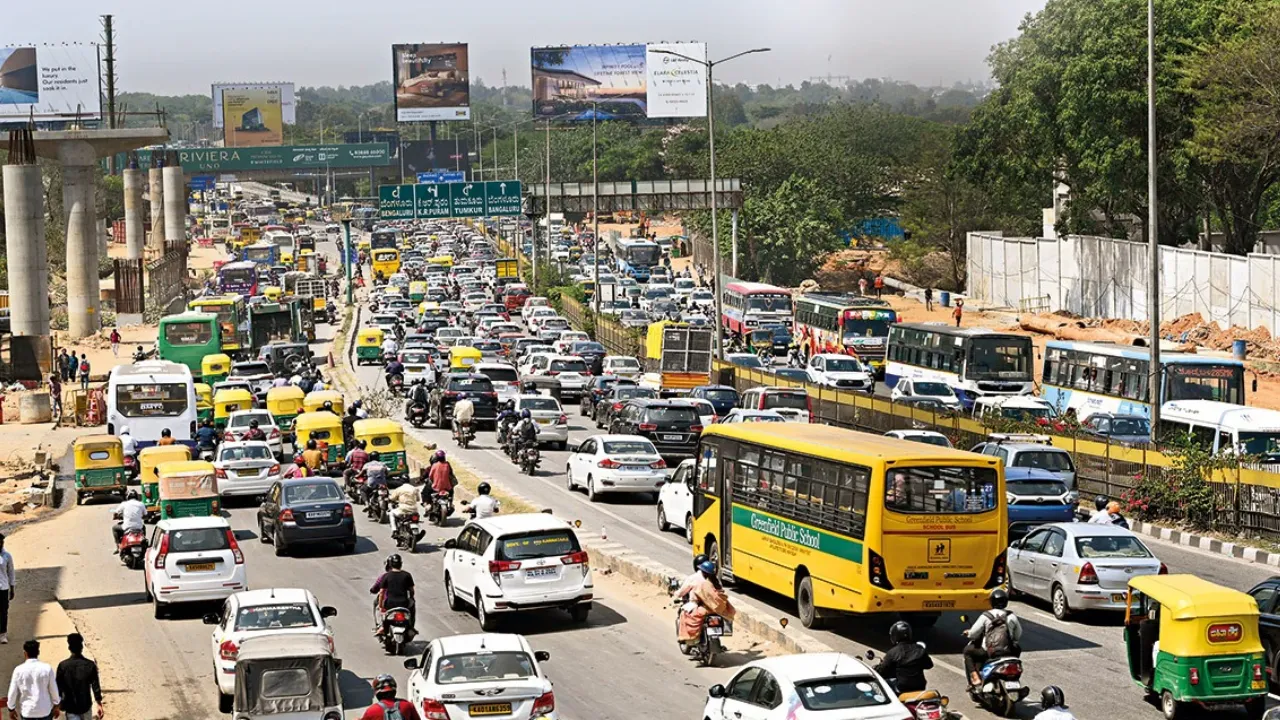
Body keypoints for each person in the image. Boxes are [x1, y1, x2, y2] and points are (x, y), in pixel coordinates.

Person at [963, 588, 1022, 689]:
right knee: (1018, 648)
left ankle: (975, 677)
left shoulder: (986, 616)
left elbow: (973, 634)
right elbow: (1018, 635)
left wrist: (968, 633)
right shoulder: (1011, 616)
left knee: (967, 651)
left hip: (989, 652)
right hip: (1009, 651)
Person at [676, 561, 736, 646]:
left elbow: (687, 593)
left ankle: (689, 638)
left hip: (705, 608)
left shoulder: (701, 583)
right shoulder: (716, 582)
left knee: (684, 614)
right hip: (717, 610)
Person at [874, 621, 934, 694]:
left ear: (895, 635)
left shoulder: (893, 652)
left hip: (901, 688)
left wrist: (876, 668)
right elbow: (929, 665)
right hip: (920, 687)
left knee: (880, 686)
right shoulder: (919, 649)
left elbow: (882, 671)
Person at [6, 640, 58, 720]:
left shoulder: (18, 670)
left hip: (27, 712)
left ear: (25, 653)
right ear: (38, 652)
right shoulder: (47, 668)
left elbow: (12, 692)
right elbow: (54, 690)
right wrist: (56, 704)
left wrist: (11, 709)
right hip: (44, 711)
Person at [55, 633, 103, 720]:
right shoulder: (90, 665)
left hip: (70, 707)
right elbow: (95, 686)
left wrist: (57, 706)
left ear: (69, 648)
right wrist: (99, 703)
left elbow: (58, 688)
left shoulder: (63, 666)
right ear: (81, 647)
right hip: (86, 706)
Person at [369, 554, 415, 635]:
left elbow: (381, 593)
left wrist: (380, 606)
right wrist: (411, 598)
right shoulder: (407, 575)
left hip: (389, 604)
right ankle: (411, 626)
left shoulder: (386, 576)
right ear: (401, 564)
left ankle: (382, 626)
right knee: (413, 605)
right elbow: (412, 591)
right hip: (404, 604)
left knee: (380, 610)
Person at [0, 534, 13, 644]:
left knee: (4, 612)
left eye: (2, 542)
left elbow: (11, 572)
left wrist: (12, 587)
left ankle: (3, 634)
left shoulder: (7, 556)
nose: (0, 544)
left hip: (3, 588)